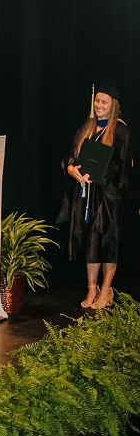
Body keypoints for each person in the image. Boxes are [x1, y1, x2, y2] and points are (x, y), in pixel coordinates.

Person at [58, 84, 135, 309]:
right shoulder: (87, 129)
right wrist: (71, 168)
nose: (99, 105)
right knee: (91, 240)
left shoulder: (122, 133)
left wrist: (101, 176)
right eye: (97, 101)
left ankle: (107, 289)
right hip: (86, 193)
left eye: (104, 102)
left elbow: (122, 169)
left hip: (110, 197)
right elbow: (71, 155)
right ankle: (92, 288)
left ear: (114, 106)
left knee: (108, 242)